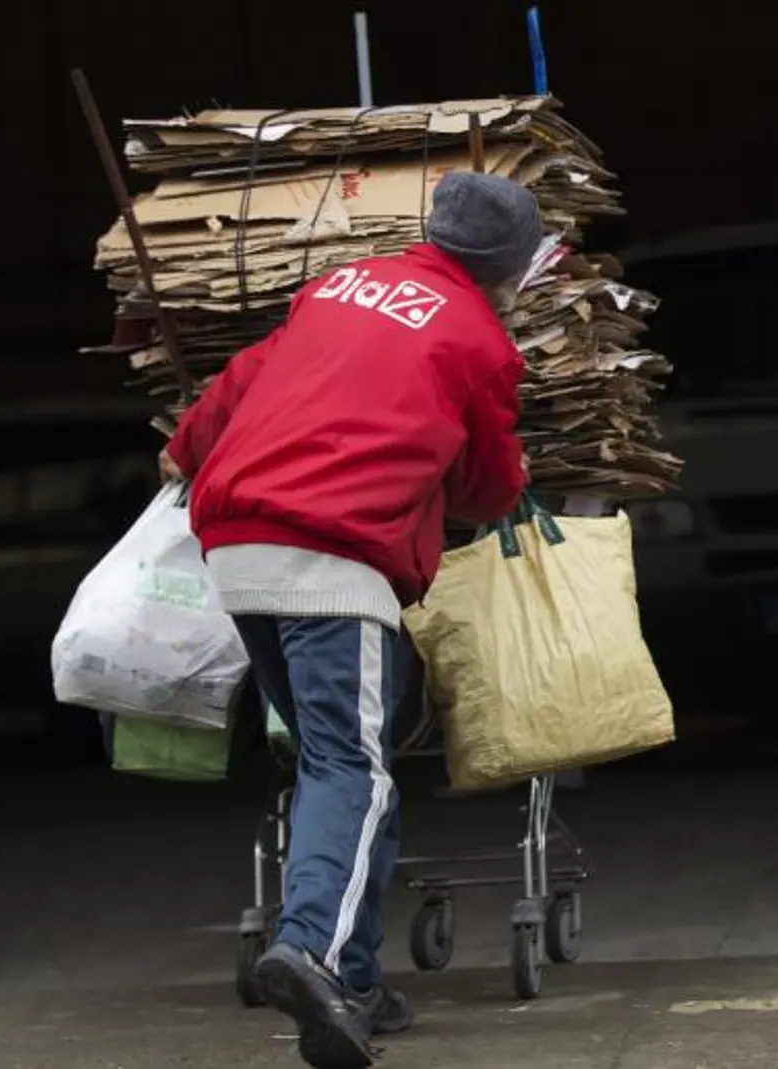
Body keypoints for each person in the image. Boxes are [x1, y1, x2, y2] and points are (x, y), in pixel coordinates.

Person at [163, 173, 535, 1069]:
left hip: (237, 545)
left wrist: (180, 450)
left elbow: (234, 390)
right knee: (352, 766)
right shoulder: (477, 337)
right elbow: (488, 485)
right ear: (510, 272)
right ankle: (314, 952)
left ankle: (357, 982)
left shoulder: (335, 286)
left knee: (338, 762)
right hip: (336, 552)